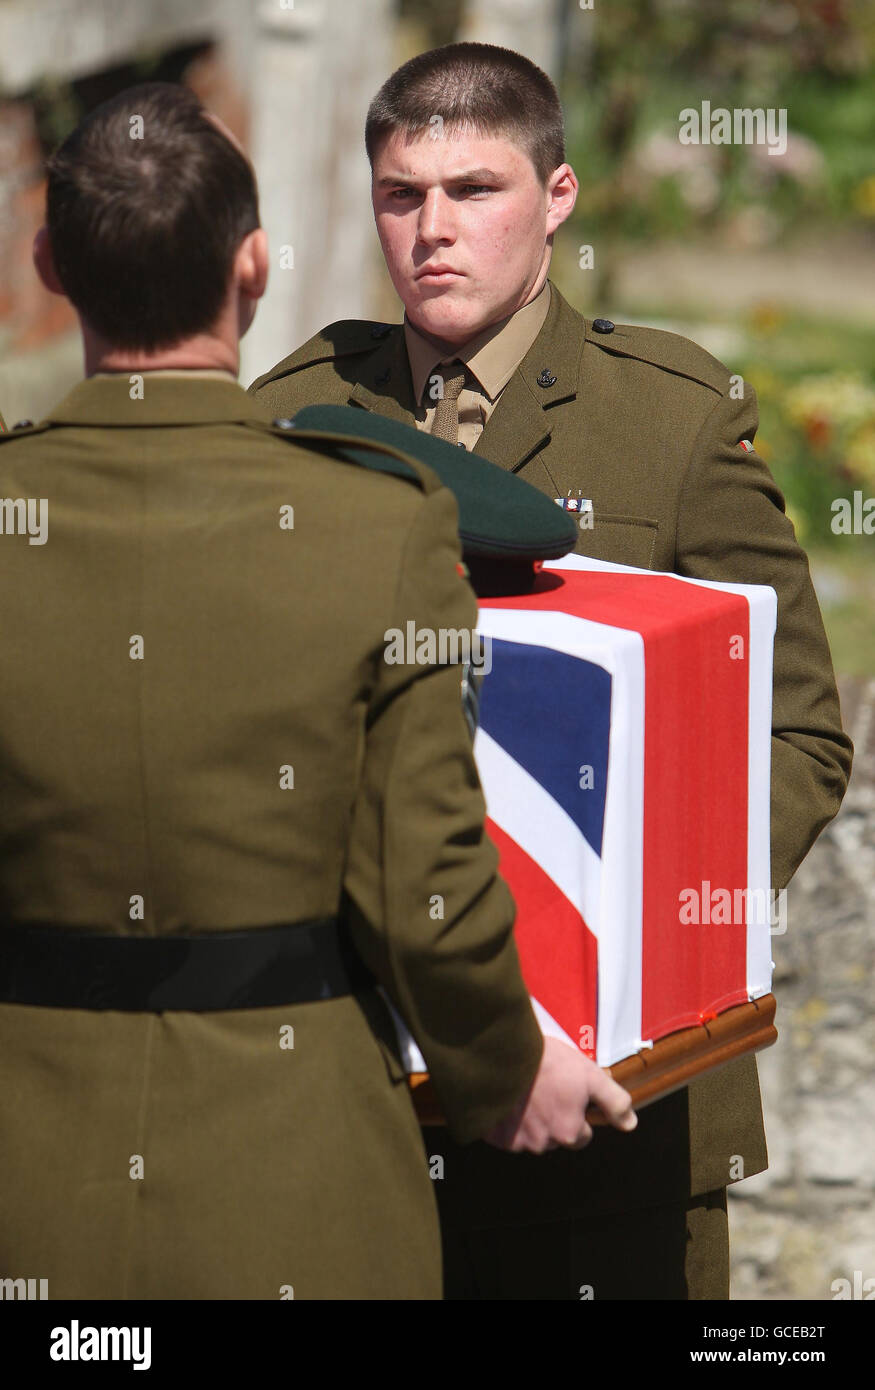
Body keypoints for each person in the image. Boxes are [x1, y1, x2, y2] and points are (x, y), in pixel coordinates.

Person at [0, 80, 636, 1301]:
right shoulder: (374, 529)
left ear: (47, 267)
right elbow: (423, 883)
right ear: (251, 268)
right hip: (289, 1181)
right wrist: (502, 1067)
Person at [249, 41, 854, 1300]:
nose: (432, 230)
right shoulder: (300, 412)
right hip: (358, 1101)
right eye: (401, 195)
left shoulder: (669, 419)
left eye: (475, 191)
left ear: (557, 196)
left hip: (611, 1122)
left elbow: (797, 733)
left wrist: (655, 920)